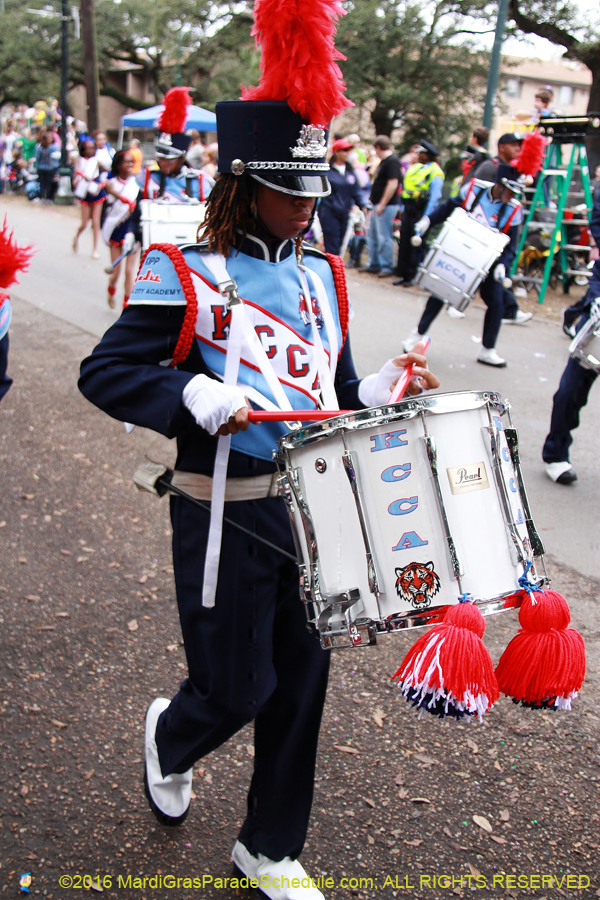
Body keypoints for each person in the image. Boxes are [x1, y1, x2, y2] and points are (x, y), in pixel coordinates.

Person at [78, 9, 440, 892]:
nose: (308, 205)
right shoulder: (185, 269)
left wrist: (382, 391)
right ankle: (172, 733)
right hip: (224, 508)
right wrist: (191, 392)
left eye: (315, 189)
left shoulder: (322, 274)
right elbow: (106, 372)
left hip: (313, 510)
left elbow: (336, 396)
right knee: (235, 688)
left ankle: (269, 846)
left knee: (301, 690)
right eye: (290, 191)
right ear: (243, 186)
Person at [403, 164, 523, 367]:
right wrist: (428, 220)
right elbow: (448, 207)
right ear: (499, 185)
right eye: (509, 190)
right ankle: (416, 335)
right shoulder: (474, 190)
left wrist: (504, 265)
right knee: (440, 291)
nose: (511, 195)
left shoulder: (514, 209)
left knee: (496, 301)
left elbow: (512, 244)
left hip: (488, 260)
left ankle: (487, 349)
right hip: (460, 250)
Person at [469, 132, 532, 326]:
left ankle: (510, 310)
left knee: (499, 272)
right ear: (502, 146)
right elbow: (474, 193)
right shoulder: (490, 167)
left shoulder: (514, 169)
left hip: (502, 228)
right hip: (483, 230)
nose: (517, 150)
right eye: (513, 145)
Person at [139, 89, 214, 203]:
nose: (163, 164)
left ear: (182, 158)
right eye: (161, 159)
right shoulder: (148, 178)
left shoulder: (198, 180)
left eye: (169, 160)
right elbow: (136, 217)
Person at [393, 140, 444, 285]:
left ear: (427, 156)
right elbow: (406, 189)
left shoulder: (435, 171)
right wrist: (402, 209)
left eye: (421, 153)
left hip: (421, 211)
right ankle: (402, 273)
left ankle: (412, 275)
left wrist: (426, 217)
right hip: (408, 209)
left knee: (416, 243)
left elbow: (435, 197)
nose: (419, 155)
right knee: (404, 242)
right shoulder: (414, 168)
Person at [101, 150, 141, 309]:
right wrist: (127, 201)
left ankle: (126, 306)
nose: (131, 165)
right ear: (118, 164)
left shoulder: (137, 183)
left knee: (130, 271)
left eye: (132, 162)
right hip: (117, 228)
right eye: (127, 162)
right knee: (116, 272)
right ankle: (111, 290)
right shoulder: (111, 182)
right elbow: (113, 192)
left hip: (132, 228)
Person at [361, 135, 401, 277]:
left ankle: (386, 265)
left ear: (378, 147)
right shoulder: (383, 162)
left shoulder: (392, 162)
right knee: (373, 235)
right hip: (376, 203)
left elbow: (392, 183)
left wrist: (383, 204)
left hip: (385, 205)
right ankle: (374, 263)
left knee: (384, 236)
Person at [317, 138, 363, 255]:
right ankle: (332, 271)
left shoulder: (350, 172)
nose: (348, 153)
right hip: (329, 212)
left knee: (340, 244)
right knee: (332, 245)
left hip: (344, 212)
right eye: (345, 150)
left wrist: (363, 205)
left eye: (349, 150)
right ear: (337, 152)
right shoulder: (327, 171)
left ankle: (335, 269)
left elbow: (356, 190)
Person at [72, 138, 107, 259]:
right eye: (88, 148)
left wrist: (104, 182)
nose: (91, 150)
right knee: (84, 222)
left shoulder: (96, 161)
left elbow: (108, 171)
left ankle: (95, 249)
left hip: (96, 190)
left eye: (93, 148)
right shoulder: (79, 160)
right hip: (84, 191)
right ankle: (76, 237)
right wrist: (78, 177)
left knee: (96, 222)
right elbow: (77, 172)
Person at [34, 131, 59, 203]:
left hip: (42, 168)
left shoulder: (39, 148)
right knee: (48, 184)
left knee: (43, 184)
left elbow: (37, 158)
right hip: (49, 168)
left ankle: (43, 197)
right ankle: (47, 198)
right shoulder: (52, 148)